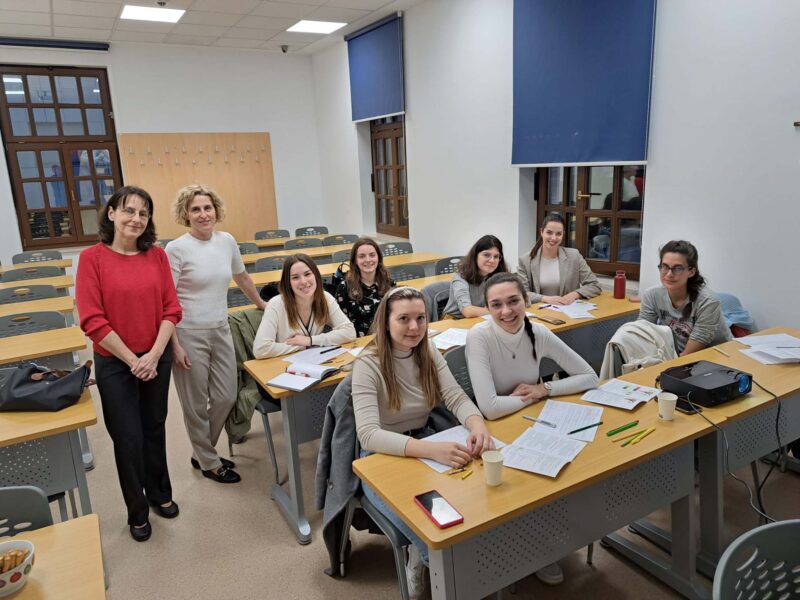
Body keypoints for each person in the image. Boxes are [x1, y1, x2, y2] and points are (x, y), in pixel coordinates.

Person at [353, 286, 495, 599]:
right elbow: (369, 434)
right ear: (385, 322)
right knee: (433, 535)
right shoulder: (368, 363)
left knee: (470, 508)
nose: (414, 327)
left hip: (427, 439)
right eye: (404, 319)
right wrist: (431, 450)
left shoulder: (427, 349)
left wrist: (478, 426)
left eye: (420, 318)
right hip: (382, 456)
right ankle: (428, 563)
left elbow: (456, 397)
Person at [465, 272, 598, 585]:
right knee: (518, 485)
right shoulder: (479, 336)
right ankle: (527, 545)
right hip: (496, 429)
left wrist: (545, 390)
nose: (506, 311)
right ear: (487, 307)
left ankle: (542, 542)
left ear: (526, 300)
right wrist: (534, 396)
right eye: (496, 305)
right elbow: (490, 408)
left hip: (533, 418)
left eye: (513, 301)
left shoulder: (537, 331)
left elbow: (590, 376)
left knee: (565, 468)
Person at [76, 185, 182, 542]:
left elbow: (171, 309)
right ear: (111, 213)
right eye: (129, 211)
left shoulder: (157, 257)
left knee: (154, 427)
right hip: (115, 362)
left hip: (155, 356)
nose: (136, 219)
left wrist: (153, 354)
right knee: (127, 437)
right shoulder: (92, 259)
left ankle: (160, 492)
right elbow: (92, 320)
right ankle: (137, 510)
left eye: (143, 213)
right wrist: (133, 360)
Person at [166, 184, 266, 485]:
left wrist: (263, 304)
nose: (203, 214)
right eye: (195, 209)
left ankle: (202, 452)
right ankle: (209, 461)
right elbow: (166, 300)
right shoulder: (176, 249)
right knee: (195, 405)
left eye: (207, 208)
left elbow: (242, 277)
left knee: (226, 395)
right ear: (186, 214)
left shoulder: (226, 241)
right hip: (187, 333)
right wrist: (174, 345)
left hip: (221, 329)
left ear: (216, 210)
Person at [253, 254, 356, 358]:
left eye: (307, 274)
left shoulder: (325, 298)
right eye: (295, 277)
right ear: (288, 283)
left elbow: (349, 332)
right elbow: (261, 349)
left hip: (314, 361)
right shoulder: (276, 304)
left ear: (315, 275)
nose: (303, 281)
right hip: (282, 363)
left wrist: (310, 340)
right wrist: (303, 345)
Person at [639, 240, 732, 356]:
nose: (669, 274)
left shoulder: (708, 301)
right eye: (665, 267)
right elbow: (642, 333)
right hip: (675, 353)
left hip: (717, 355)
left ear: (691, 272)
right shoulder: (651, 295)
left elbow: (690, 352)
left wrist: (662, 363)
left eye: (677, 268)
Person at [518, 213, 601, 305]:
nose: (553, 238)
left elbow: (594, 285)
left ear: (563, 235)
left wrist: (574, 294)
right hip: (539, 311)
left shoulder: (574, 256)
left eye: (558, 234)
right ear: (541, 232)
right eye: (549, 232)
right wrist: (544, 298)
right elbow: (522, 293)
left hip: (568, 310)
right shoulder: (525, 260)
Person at [335, 237, 394, 336]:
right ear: (355, 261)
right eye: (362, 256)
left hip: (386, 338)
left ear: (378, 258)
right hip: (357, 341)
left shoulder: (389, 283)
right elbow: (341, 325)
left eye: (372, 255)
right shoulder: (344, 288)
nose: (368, 260)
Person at [442, 234, 508, 318]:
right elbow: (467, 311)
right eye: (486, 255)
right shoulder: (460, 277)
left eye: (496, 256)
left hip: (481, 318)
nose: (492, 260)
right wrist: (496, 310)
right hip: (454, 320)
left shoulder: (497, 277)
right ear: (475, 255)